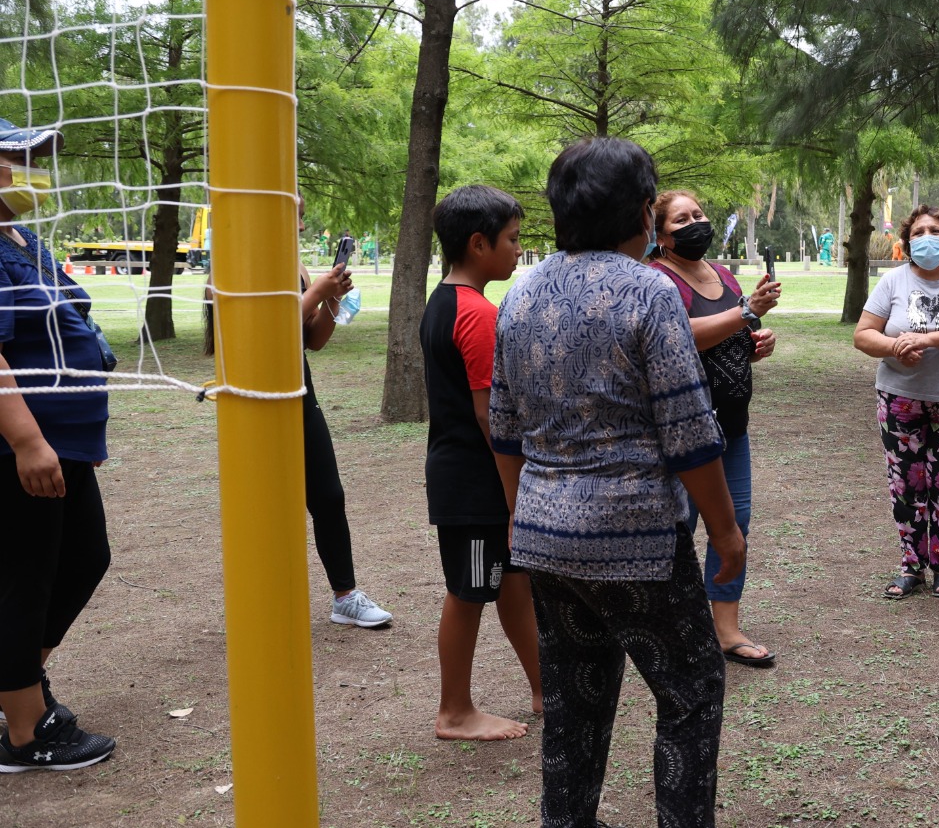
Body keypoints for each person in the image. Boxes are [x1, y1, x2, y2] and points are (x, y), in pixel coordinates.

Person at [490, 137, 745, 827]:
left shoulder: (521, 294)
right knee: (691, 691)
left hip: (545, 534)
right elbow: (689, 432)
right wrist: (726, 533)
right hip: (636, 536)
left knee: (574, 698)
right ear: (642, 210)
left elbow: (504, 427)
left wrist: (520, 513)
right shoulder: (649, 291)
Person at [203, 200, 392, 629]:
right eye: (297, 215)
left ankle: (346, 597)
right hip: (251, 403)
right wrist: (317, 294)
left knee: (329, 497)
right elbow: (262, 334)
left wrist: (331, 301)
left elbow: (311, 340)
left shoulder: (298, 269)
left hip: (299, 394)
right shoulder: (229, 270)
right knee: (265, 506)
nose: (303, 225)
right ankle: (259, 601)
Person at [0, 118, 116, 771]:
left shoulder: (21, 236)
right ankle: (24, 734)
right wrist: (27, 440)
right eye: (17, 157)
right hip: (24, 447)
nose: (31, 169)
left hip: (63, 440)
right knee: (27, 578)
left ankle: (14, 682)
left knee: (85, 558)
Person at [420, 185, 541, 740]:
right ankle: (455, 712)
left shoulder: (446, 300)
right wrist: (517, 499)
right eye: (512, 239)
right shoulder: (476, 313)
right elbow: (491, 415)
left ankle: (544, 687)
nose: (518, 249)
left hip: (476, 479)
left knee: (515, 584)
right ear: (477, 244)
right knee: (469, 593)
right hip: (474, 485)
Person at [648, 189, 779, 667]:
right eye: (681, 220)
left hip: (732, 428)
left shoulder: (722, 275)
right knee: (679, 530)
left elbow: (731, 336)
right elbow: (680, 337)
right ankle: (674, 631)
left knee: (735, 525)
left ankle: (726, 629)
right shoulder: (658, 280)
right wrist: (746, 312)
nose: (695, 224)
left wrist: (756, 341)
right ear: (661, 237)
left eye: (699, 214)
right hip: (684, 431)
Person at [854, 205, 939, 599]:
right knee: (906, 485)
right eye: (918, 232)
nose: (926, 237)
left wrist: (924, 339)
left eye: (935, 231)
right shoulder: (893, 281)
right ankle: (911, 567)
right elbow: (863, 334)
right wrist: (894, 346)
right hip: (900, 399)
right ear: (908, 243)